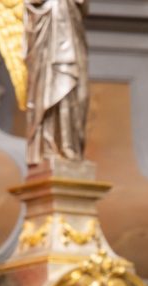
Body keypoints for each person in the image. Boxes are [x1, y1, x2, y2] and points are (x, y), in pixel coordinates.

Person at [24, 0, 89, 165]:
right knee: (49, 88)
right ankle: (49, 144)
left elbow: (84, 6)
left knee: (78, 94)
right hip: (47, 23)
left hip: (70, 23)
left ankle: (70, 145)